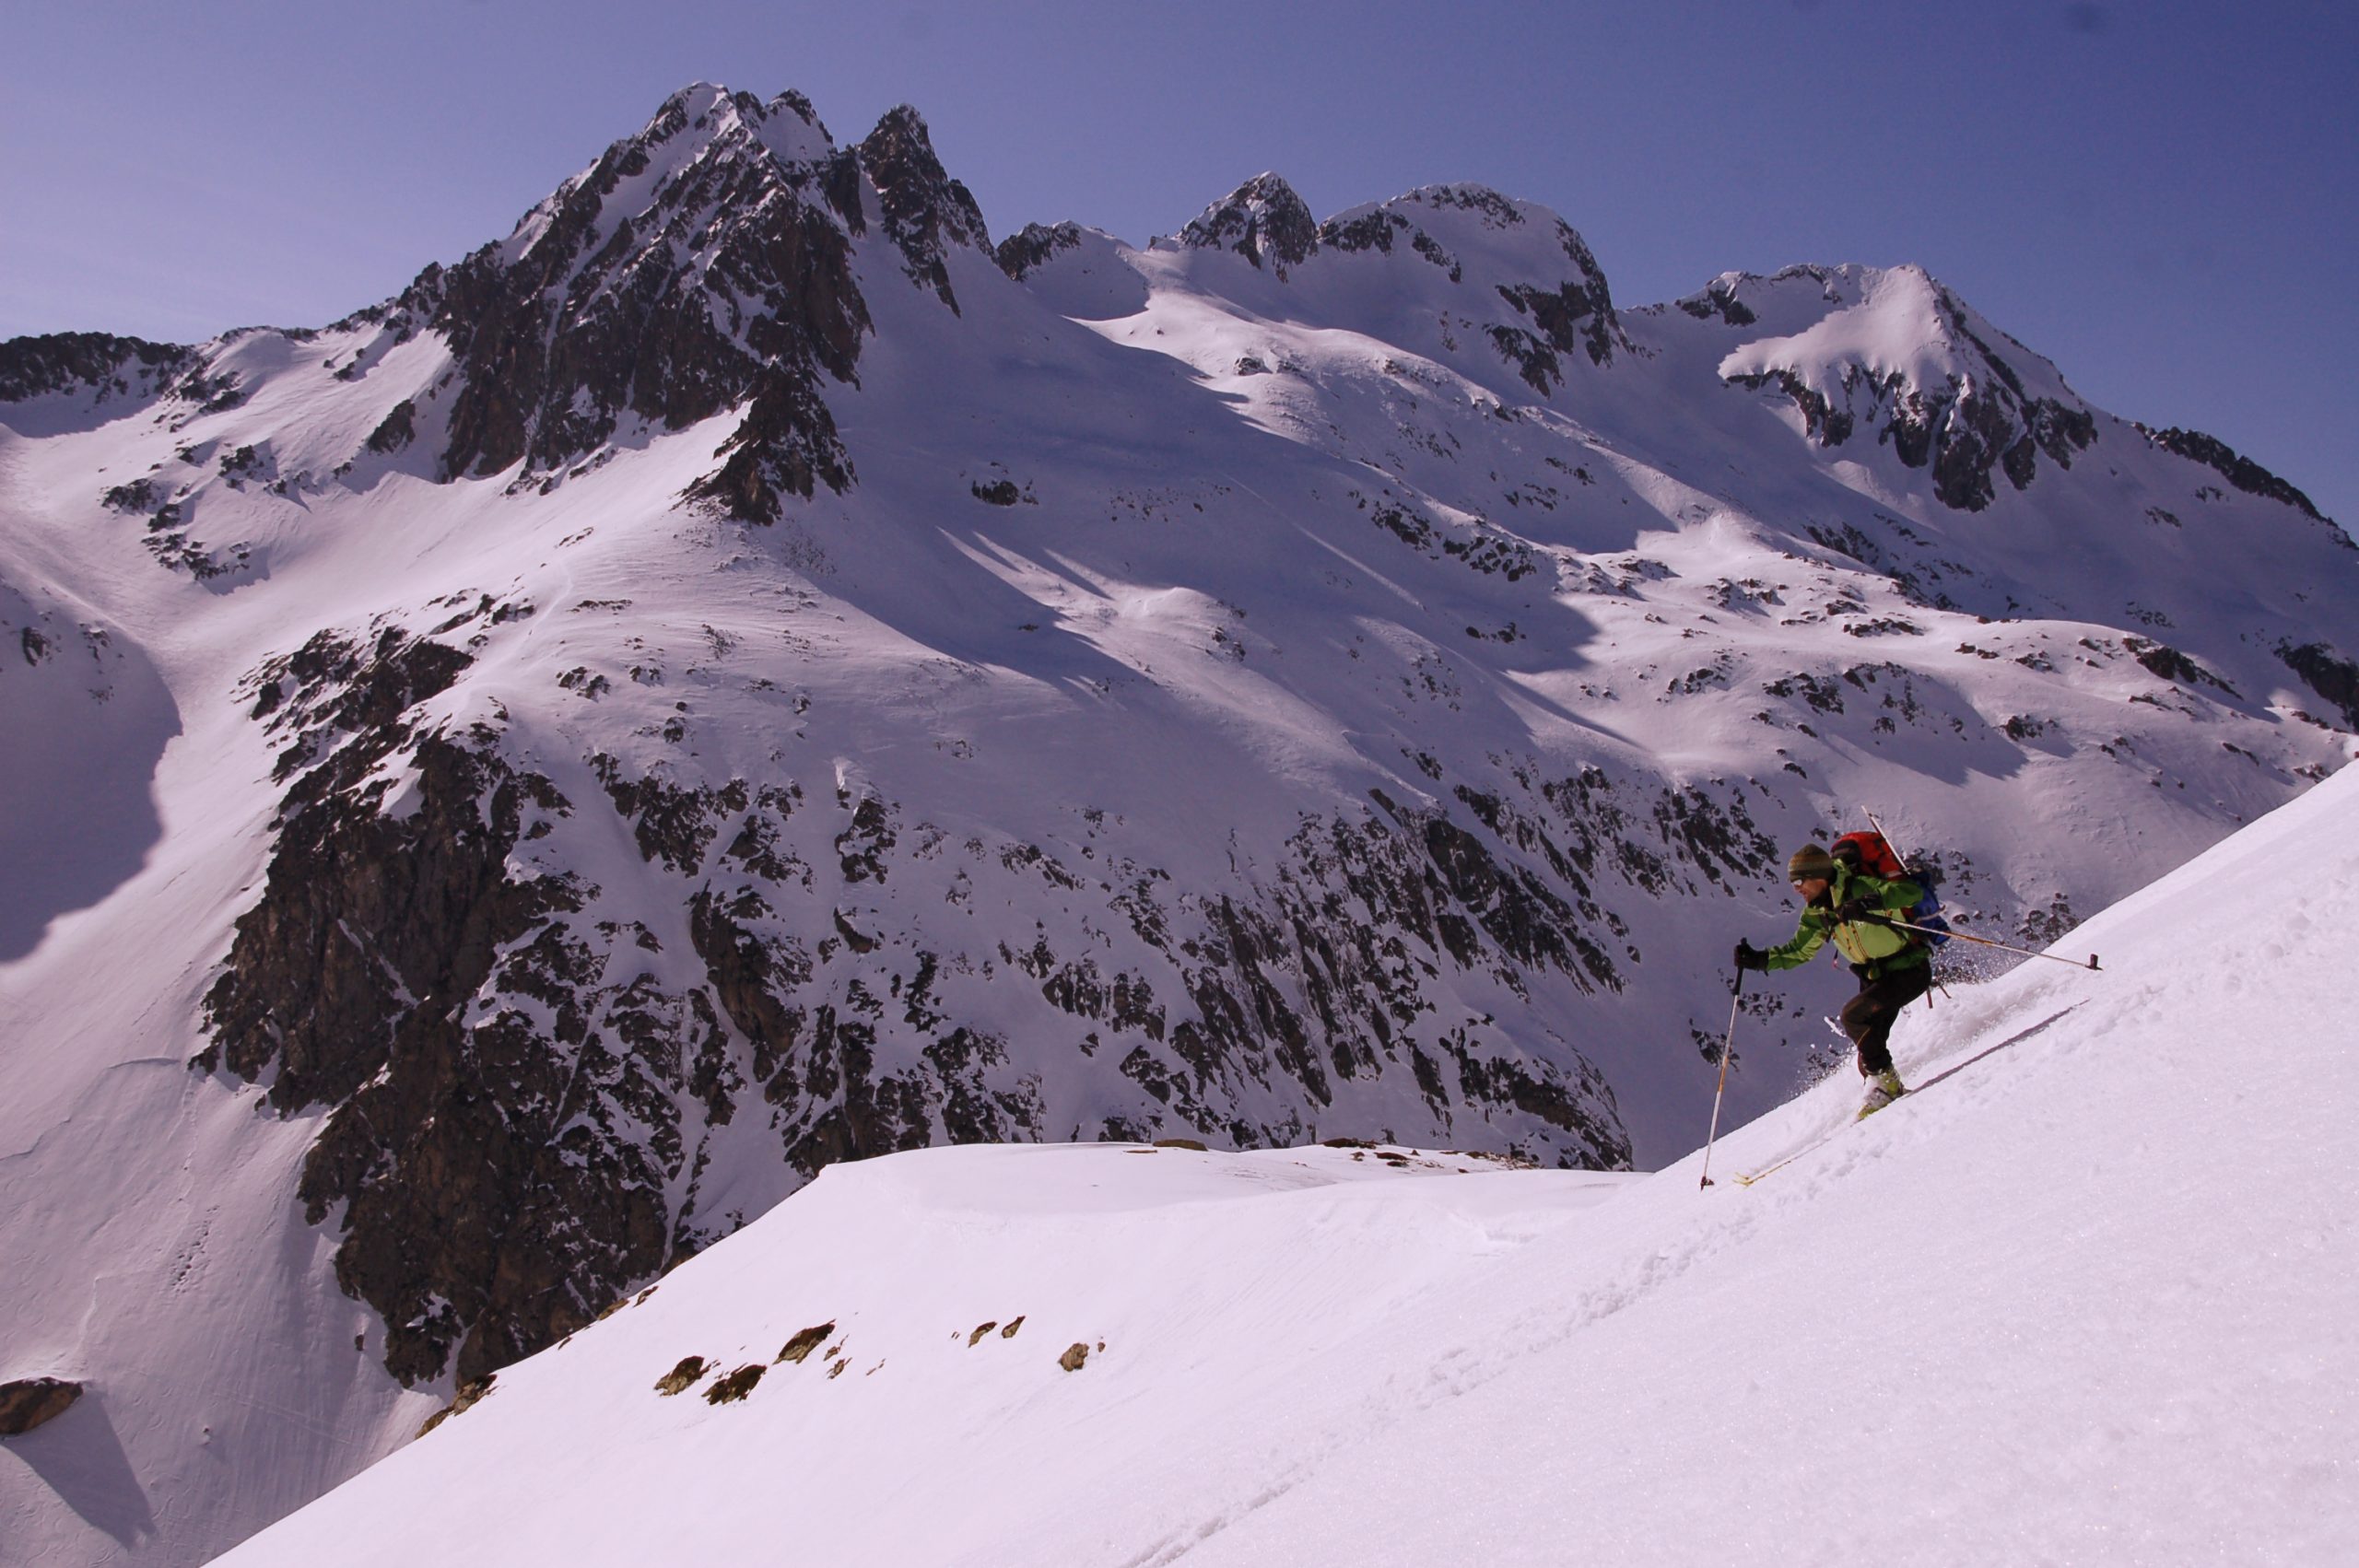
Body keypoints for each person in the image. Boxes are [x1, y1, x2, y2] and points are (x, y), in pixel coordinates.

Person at [1734, 842, 1931, 1117]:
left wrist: (1870, 901)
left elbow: (1910, 893)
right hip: (1874, 977)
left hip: (1908, 968)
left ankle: (1888, 1087)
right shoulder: (1817, 913)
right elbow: (1799, 951)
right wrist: (1758, 960)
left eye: (1800, 881)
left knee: (1853, 1017)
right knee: (1867, 1051)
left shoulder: (1860, 886)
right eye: (1793, 884)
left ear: (1819, 878)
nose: (1797, 889)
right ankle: (1881, 1091)